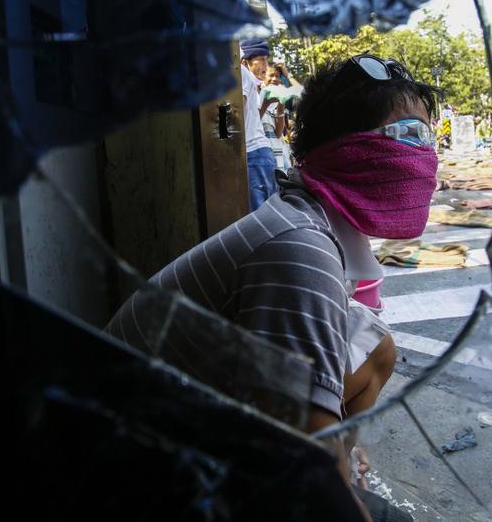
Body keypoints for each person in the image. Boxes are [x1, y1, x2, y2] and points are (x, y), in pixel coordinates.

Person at [105, 54, 439, 521]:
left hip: (182, 425)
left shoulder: (306, 221)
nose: (426, 154)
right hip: (143, 477)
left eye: (427, 136)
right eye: (407, 134)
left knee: (375, 344)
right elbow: (311, 484)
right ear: (346, 146)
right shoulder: (300, 250)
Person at [240, 38, 279, 211]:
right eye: (261, 60)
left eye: (266, 59)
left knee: (261, 217)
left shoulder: (239, 73)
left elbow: (236, 117)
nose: (265, 65)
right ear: (245, 61)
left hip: (254, 154)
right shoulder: (246, 76)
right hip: (255, 154)